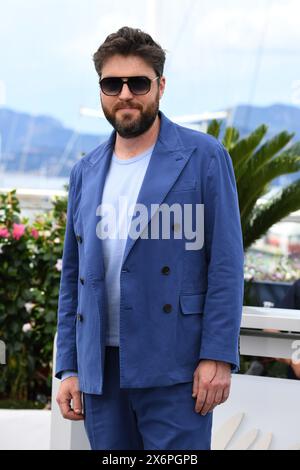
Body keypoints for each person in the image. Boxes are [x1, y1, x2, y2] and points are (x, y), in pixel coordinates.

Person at [55, 26, 244, 450]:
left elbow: (227, 265)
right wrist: (69, 366)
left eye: (138, 82)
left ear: (160, 86)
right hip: (100, 369)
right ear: (101, 90)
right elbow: (73, 278)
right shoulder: (85, 171)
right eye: (112, 83)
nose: (125, 93)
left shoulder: (204, 157)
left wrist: (217, 356)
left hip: (176, 364)